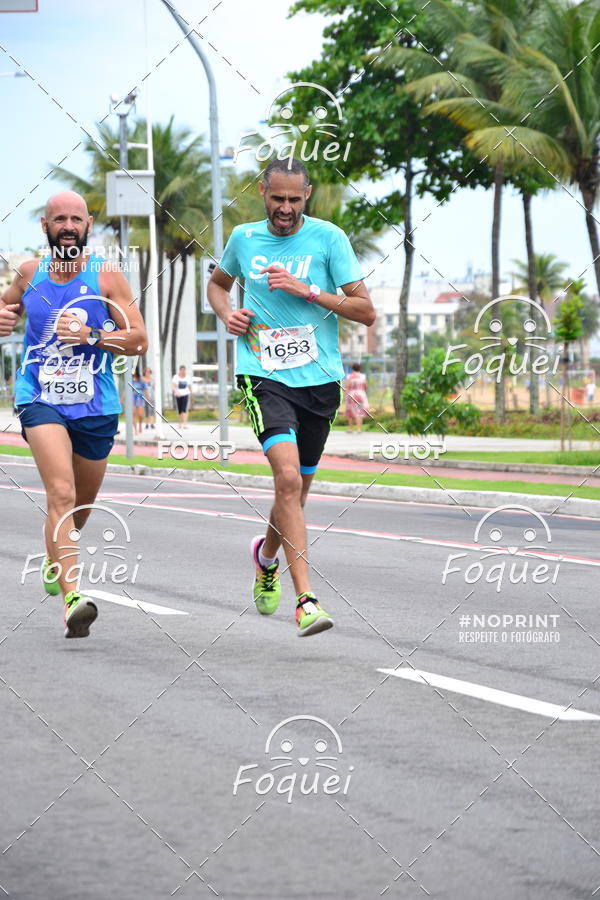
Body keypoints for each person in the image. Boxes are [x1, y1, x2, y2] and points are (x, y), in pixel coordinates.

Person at [208, 157, 375, 637]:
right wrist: (227, 315)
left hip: (319, 381)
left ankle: (265, 557)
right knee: (285, 478)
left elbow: (366, 312)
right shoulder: (244, 238)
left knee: (295, 493)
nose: (285, 208)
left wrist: (310, 292)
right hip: (262, 373)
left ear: (307, 195)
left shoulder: (329, 238)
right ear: (263, 191)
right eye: (277, 198)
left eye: (294, 200)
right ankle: (306, 600)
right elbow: (218, 285)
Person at [0, 190, 148, 638]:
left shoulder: (107, 277)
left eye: (76, 218)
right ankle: (73, 599)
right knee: (60, 494)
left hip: (96, 404)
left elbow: (138, 339)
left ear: (87, 227)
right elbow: (5, 307)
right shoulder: (28, 274)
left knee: (79, 509)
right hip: (40, 396)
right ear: (45, 227)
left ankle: (54, 555)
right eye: (58, 218)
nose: (67, 225)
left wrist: (90, 336)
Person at [344, 363, 369, 433]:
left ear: (352, 368)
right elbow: (366, 386)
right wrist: (365, 393)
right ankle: (359, 429)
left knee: (350, 411)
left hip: (351, 395)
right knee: (359, 412)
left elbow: (346, 386)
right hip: (361, 394)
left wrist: (344, 397)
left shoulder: (349, 376)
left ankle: (350, 429)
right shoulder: (363, 376)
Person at [131, 368, 146, 435]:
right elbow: (126, 391)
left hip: (140, 398)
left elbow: (146, 389)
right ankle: (135, 430)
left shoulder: (141, 381)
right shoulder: (130, 381)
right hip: (132, 398)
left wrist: (148, 398)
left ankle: (140, 424)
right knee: (133, 414)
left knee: (140, 415)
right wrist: (121, 400)